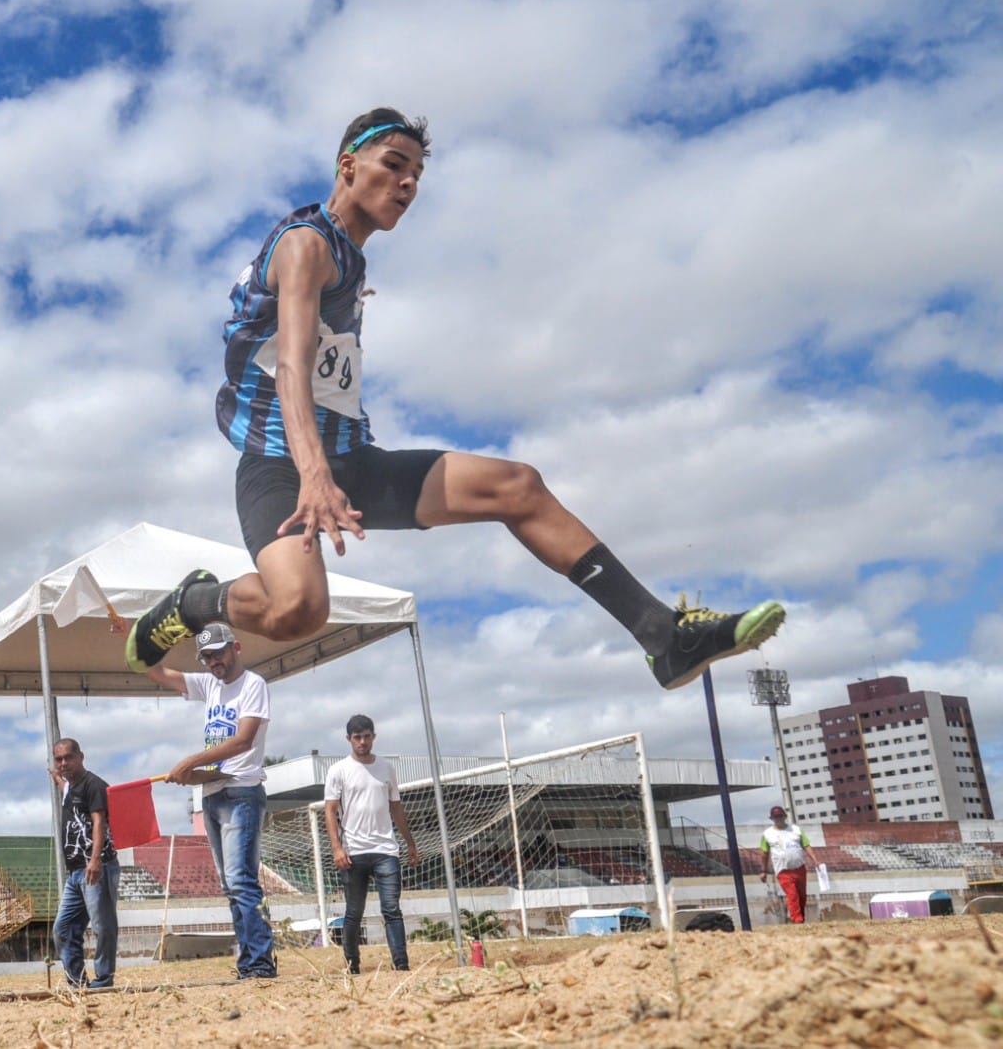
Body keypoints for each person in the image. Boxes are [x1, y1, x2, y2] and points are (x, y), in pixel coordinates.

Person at [124, 107, 785, 692]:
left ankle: (662, 635)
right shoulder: (305, 247)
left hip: (351, 458)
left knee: (517, 485)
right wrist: (314, 475)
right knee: (300, 610)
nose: (408, 184)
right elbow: (292, 367)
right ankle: (196, 601)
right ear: (347, 166)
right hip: (281, 466)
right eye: (394, 165)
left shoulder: (351, 260)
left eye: (417, 175)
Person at [146, 623, 277, 979]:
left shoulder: (253, 685)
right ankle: (249, 963)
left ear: (236, 647)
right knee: (230, 886)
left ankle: (261, 963)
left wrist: (191, 761)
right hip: (213, 792)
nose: (212, 662)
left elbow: (243, 741)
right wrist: (139, 638)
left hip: (242, 790)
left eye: (217, 653)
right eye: (205, 657)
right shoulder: (208, 684)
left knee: (241, 882)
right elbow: (157, 673)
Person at [323, 715, 418, 974]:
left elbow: (396, 807)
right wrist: (337, 848)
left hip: (386, 849)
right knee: (354, 912)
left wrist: (410, 843)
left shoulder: (386, 768)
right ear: (349, 739)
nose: (362, 741)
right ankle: (352, 965)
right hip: (353, 851)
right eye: (357, 737)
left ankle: (401, 964)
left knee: (392, 909)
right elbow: (330, 811)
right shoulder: (338, 770)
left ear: (373, 736)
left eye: (366, 736)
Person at [49, 737, 121, 989]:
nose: (64, 763)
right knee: (63, 927)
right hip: (75, 873)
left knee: (103, 925)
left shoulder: (94, 785)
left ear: (81, 756)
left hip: (95, 868)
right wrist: (56, 777)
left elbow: (99, 822)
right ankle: (77, 981)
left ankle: (104, 978)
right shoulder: (70, 788)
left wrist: (95, 860)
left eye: (69, 757)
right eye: (58, 759)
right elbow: (64, 787)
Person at [758, 805, 816, 924]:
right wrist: (763, 871)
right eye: (775, 817)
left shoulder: (796, 830)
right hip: (783, 870)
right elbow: (764, 853)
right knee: (792, 895)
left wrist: (815, 860)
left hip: (799, 868)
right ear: (772, 819)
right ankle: (797, 920)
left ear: (785, 816)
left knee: (801, 895)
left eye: (780, 816)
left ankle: (800, 918)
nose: (778, 819)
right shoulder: (768, 834)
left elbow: (806, 845)